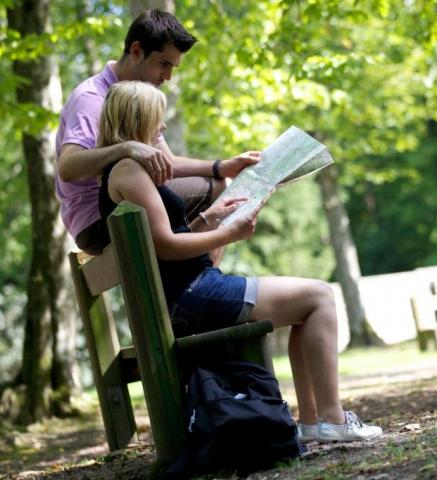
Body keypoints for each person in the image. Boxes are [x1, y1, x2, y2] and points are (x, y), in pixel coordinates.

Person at [96, 80, 383, 443]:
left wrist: (210, 217)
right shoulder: (129, 171)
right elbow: (167, 246)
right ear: (137, 119)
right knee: (319, 297)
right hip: (192, 295)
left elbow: (160, 243)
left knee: (307, 306)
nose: (163, 126)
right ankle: (331, 419)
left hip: (186, 292)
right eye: (158, 117)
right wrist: (229, 234)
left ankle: (316, 422)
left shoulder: (124, 171)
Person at [55, 9, 259, 256]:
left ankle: (194, 279)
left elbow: (168, 163)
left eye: (173, 68)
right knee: (220, 190)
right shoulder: (92, 98)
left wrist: (221, 166)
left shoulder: (140, 96)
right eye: (163, 64)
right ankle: (199, 285)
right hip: (98, 220)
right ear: (136, 51)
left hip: (130, 199)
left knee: (224, 183)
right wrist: (127, 147)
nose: (168, 77)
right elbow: (67, 168)